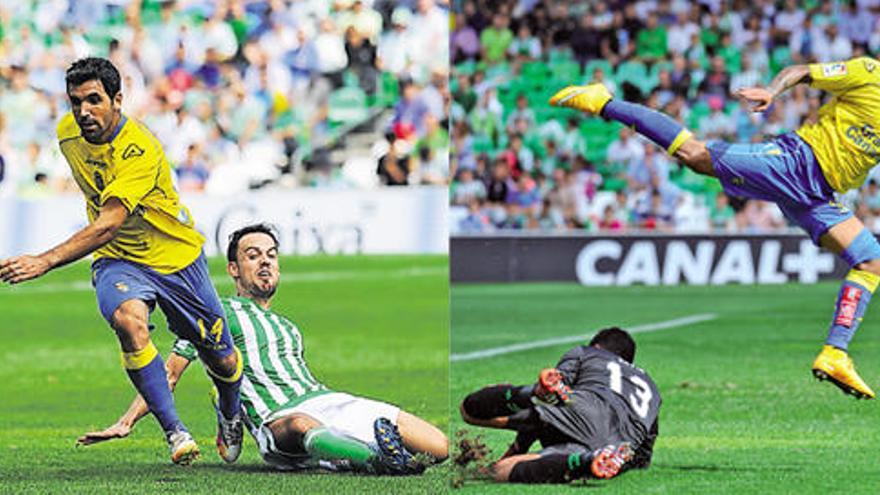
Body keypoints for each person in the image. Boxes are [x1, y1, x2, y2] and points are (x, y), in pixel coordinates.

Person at [550, 57, 880, 399]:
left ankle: (835, 353)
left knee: (871, 260)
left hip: (819, 195)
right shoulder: (869, 74)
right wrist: (771, 91)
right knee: (693, 155)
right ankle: (603, 101)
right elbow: (802, 71)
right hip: (795, 163)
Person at [0, 58, 243, 464]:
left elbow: (108, 222)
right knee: (128, 323)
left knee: (223, 357)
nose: (83, 112)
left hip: (175, 257)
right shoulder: (67, 134)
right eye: (75, 101)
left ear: (117, 100)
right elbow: (106, 227)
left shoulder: (140, 148)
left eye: (94, 100)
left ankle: (230, 411)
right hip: (119, 260)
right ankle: (176, 432)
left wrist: (44, 261)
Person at [76, 224, 449, 474]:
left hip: (327, 399)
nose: (266, 261)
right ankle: (374, 460)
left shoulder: (289, 327)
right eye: (253, 255)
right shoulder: (214, 315)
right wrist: (126, 422)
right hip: (278, 420)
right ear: (234, 270)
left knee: (439, 446)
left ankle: (354, 455)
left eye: (271, 254)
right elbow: (170, 371)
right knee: (302, 425)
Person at [460, 327, 660, 484]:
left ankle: (528, 393)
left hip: (579, 409)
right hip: (616, 443)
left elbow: (554, 397)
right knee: (504, 469)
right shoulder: (652, 389)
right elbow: (641, 459)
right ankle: (586, 462)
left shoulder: (587, 353)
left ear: (597, 346)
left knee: (468, 412)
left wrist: (517, 448)